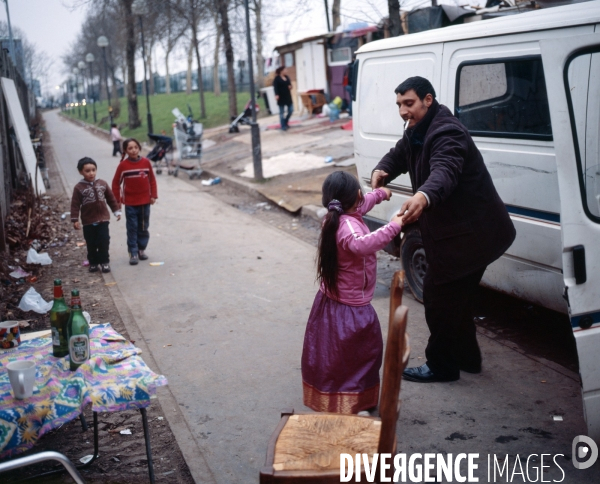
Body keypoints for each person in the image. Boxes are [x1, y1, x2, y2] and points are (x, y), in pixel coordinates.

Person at [371, 76, 516, 383]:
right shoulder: (417, 128)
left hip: (474, 235)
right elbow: (400, 153)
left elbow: (445, 170)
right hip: (463, 234)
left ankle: (442, 365)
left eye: (408, 103)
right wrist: (382, 168)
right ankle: (467, 358)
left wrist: (424, 195)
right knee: (455, 298)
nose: (402, 111)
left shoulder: (447, 131)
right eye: (399, 104)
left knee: (439, 298)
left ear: (428, 99)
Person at [301, 171, 403, 414]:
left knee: (339, 357)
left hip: (335, 302)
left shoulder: (340, 214)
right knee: (361, 355)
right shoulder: (347, 226)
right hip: (351, 307)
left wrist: (381, 194)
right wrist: (394, 226)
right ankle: (353, 402)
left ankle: (347, 398)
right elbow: (362, 244)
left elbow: (362, 205)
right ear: (356, 195)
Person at [111, 138, 158, 266]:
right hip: (130, 203)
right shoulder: (123, 166)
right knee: (132, 227)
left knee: (143, 227)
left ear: (139, 148)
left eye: (135, 147)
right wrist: (117, 201)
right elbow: (116, 184)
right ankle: (133, 252)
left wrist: (153, 195)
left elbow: (152, 180)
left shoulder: (146, 162)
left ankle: (141, 249)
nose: (133, 150)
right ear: (125, 150)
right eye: (130, 148)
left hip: (145, 203)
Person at [70, 157, 121, 273]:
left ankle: (104, 262)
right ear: (81, 172)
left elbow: (111, 198)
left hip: (103, 219)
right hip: (88, 221)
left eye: (93, 170)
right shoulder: (79, 188)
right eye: (87, 171)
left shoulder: (102, 184)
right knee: (91, 243)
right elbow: (75, 204)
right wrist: (75, 219)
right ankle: (93, 263)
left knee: (104, 241)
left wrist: (116, 211)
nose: (91, 173)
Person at [273, 66, 293, 131]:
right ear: (281, 71)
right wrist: (276, 95)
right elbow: (275, 87)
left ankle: (286, 121)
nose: (286, 71)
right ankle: (283, 126)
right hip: (281, 97)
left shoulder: (287, 77)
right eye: (285, 70)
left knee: (291, 110)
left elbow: (290, 85)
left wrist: (290, 87)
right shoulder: (277, 79)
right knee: (281, 112)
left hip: (288, 96)